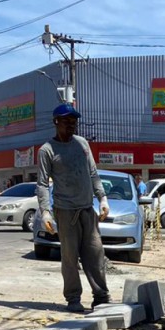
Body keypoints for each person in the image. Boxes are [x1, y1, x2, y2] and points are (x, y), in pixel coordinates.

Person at [36, 103, 111, 313]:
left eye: (74, 122)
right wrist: (45, 212)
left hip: (88, 209)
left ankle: (101, 297)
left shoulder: (82, 144)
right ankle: (73, 299)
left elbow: (93, 174)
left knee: (96, 254)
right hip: (66, 211)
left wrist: (102, 198)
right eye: (67, 121)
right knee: (70, 258)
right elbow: (42, 184)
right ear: (56, 122)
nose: (71, 125)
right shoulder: (47, 150)